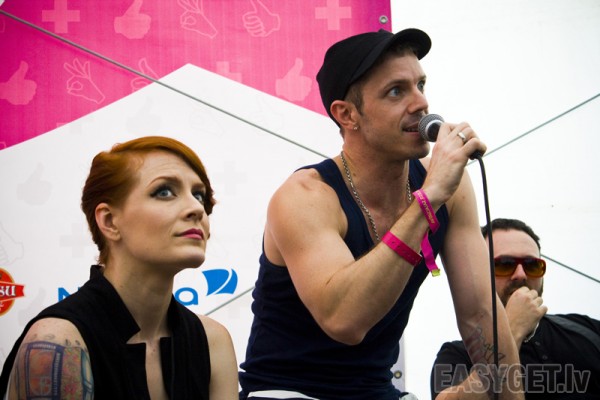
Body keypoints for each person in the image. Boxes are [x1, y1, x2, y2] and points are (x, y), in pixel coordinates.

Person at [238, 28, 523, 399]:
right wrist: (428, 199)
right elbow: (345, 321)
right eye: (396, 91)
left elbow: (480, 317)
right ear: (347, 115)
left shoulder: (448, 188)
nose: (421, 103)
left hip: (376, 390)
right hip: (288, 391)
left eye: (420, 85)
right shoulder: (305, 196)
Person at [0, 136, 239, 399]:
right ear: (109, 221)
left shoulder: (211, 341)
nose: (196, 208)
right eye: (164, 192)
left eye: (199, 195)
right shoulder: (56, 342)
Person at [430, 218, 600, 399]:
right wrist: (512, 329)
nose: (521, 274)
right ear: (480, 273)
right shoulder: (458, 354)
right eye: (504, 264)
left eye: (532, 265)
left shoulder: (587, 330)